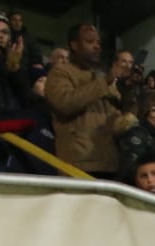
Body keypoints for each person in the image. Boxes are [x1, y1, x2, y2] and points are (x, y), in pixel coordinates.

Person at [43, 23, 124, 177]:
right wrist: (104, 82)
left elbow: (117, 118)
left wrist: (129, 92)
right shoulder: (60, 73)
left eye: (98, 43)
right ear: (74, 45)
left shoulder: (100, 77)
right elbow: (65, 103)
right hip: (79, 163)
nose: (96, 46)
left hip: (110, 163)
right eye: (90, 41)